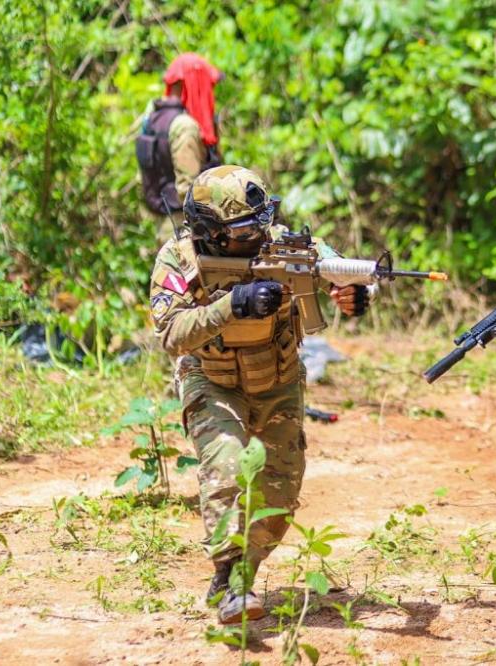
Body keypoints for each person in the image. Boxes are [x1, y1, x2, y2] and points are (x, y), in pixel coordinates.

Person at [149, 165, 370, 624]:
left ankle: (240, 567)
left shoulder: (285, 243)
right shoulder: (178, 259)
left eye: (259, 222)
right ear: (210, 231)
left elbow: (338, 270)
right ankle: (233, 582)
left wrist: (353, 295)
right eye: (242, 230)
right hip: (210, 379)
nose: (256, 235)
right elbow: (171, 333)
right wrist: (233, 305)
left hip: (279, 379)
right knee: (227, 465)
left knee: (280, 495)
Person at [137, 53, 224, 246]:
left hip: (166, 225)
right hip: (186, 232)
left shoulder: (153, 118)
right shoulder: (184, 126)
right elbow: (189, 191)